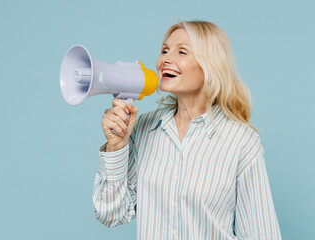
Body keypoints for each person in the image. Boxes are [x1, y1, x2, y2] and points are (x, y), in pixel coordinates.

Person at [93, 20, 282, 239]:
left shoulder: (241, 142)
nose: (165, 59)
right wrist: (116, 147)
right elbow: (110, 214)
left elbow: (262, 234)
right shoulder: (143, 129)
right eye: (164, 50)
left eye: (181, 51)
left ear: (210, 65)